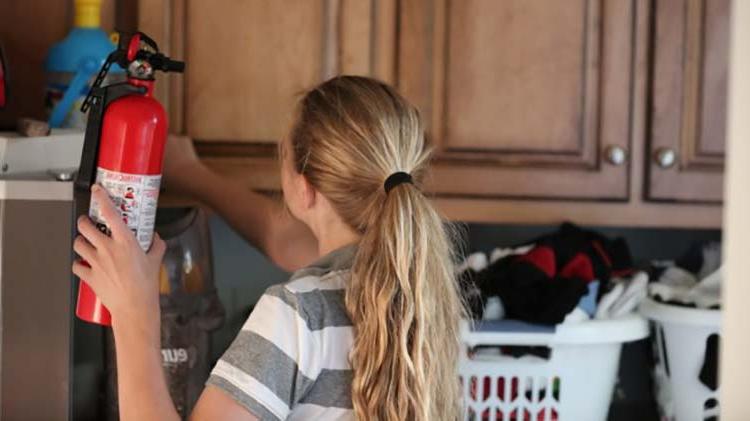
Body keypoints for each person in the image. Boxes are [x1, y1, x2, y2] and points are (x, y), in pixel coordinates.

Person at [73, 75, 466, 421]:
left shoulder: (298, 315)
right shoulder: (422, 298)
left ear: (303, 186)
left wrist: (133, 314)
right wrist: (191, 173)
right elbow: (284, 242)